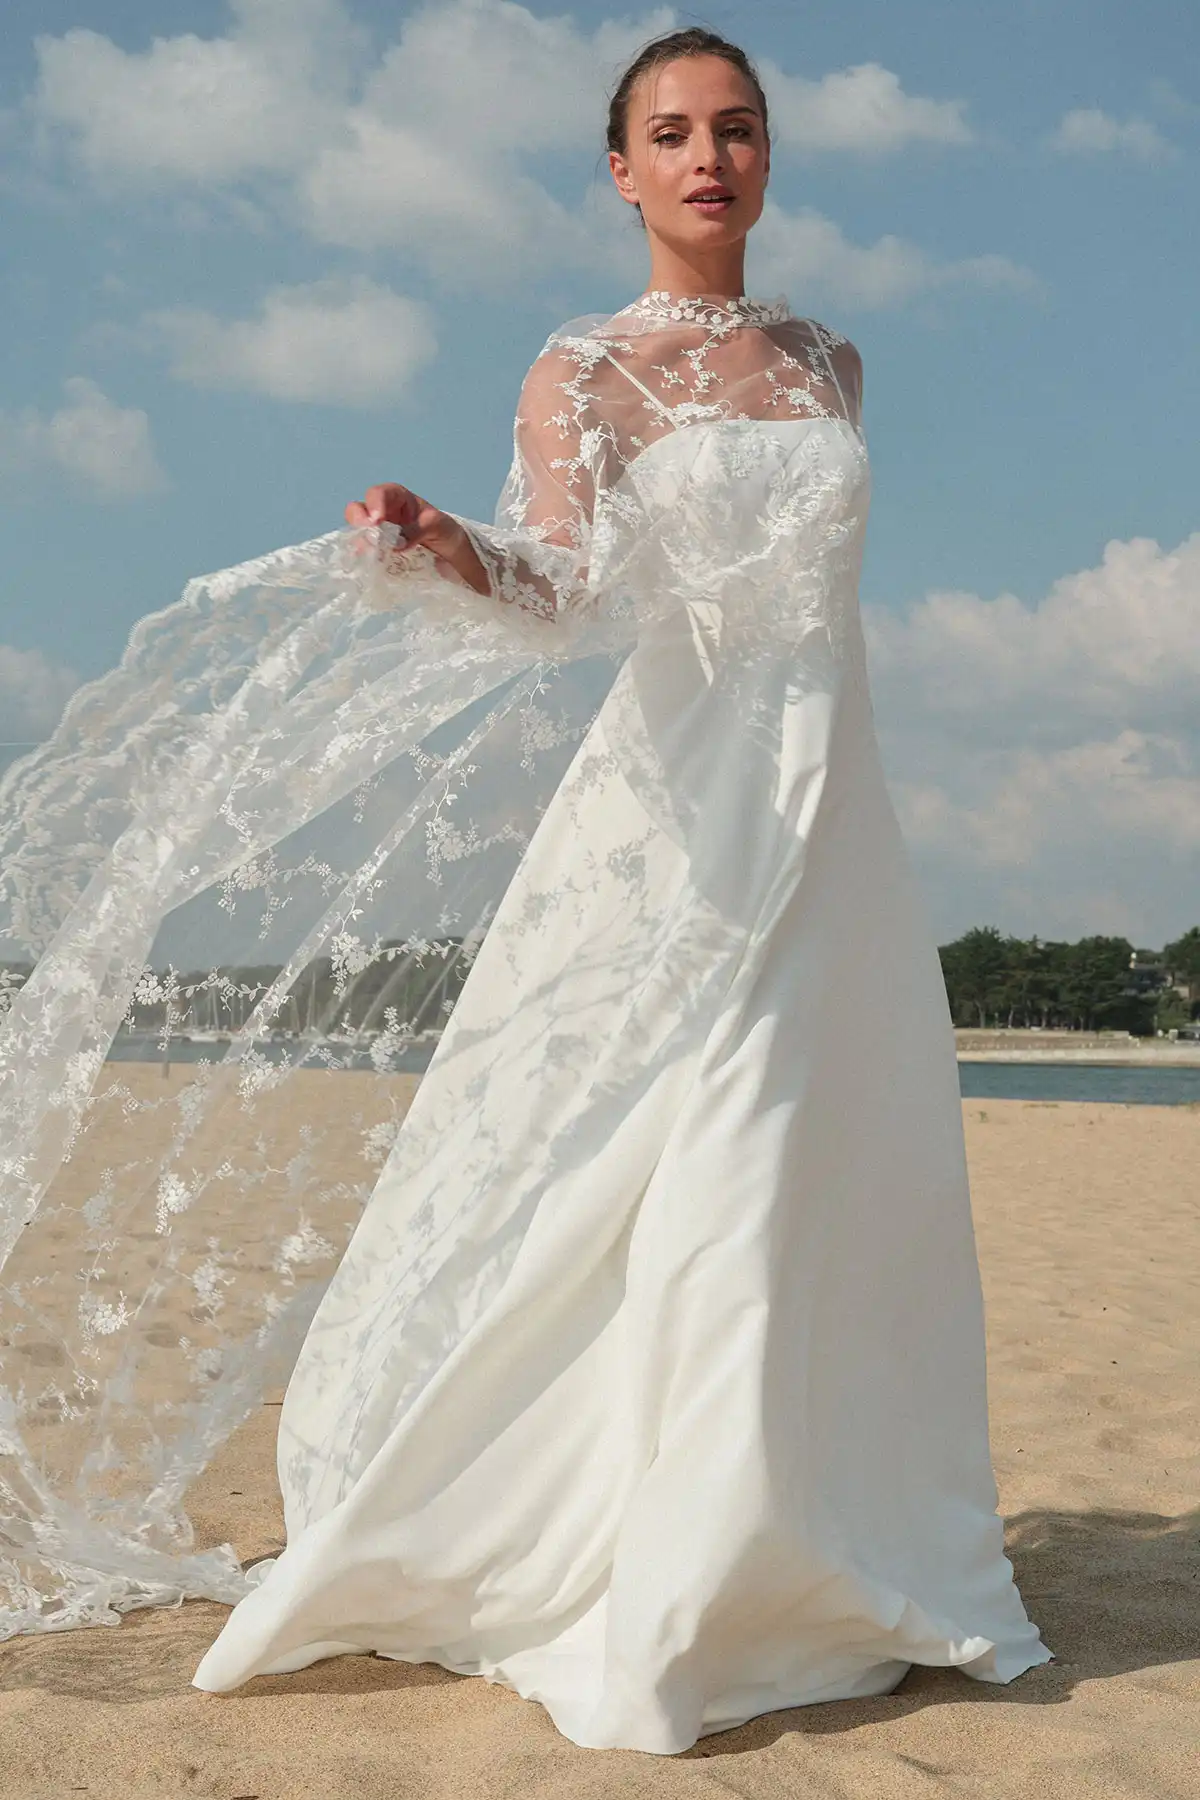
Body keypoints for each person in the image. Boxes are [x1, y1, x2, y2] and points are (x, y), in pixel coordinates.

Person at [0, 27, 1049, 1757]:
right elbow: (567, 589)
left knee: (819, 1184)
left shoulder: (834, 362)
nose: (710, 157)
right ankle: (670, 1572)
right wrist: (448, 548)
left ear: (767, 158)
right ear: (621, 172)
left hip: (835, 818)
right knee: (700, 1169)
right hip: (679, 816)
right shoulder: (583, 366)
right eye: (670, 134)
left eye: (738, 128)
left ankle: (808, 1546)